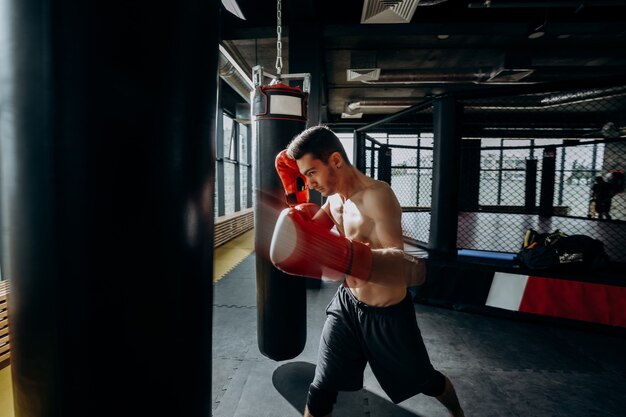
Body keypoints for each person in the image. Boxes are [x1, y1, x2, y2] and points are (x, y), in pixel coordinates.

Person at [270, 125, 466, 417]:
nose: (309, 182)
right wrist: (293, 198)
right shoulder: (335, 200)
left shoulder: (378, 195)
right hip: (348, 305)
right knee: (321, 388)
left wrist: (346, 256)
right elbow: (309, 232)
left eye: (311, 173)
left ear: (335, 161)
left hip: (387, 315)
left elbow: (397, 260)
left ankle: (457, 413)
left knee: (427, 381)